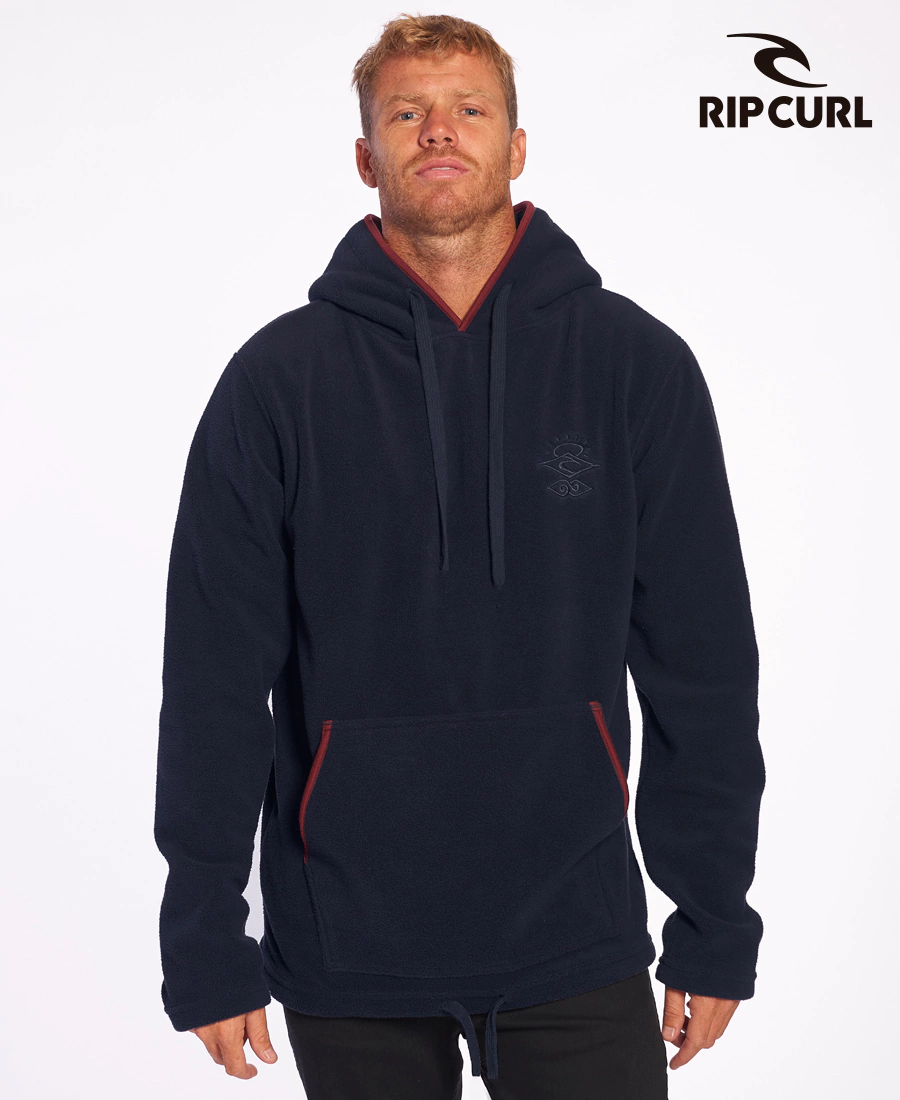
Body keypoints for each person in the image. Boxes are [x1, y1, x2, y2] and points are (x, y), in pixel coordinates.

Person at [153, 13, 766, 1098]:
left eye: (469, 109)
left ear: (516, 145)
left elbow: (703, 664)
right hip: (345, 935)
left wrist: (714, 918)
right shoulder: (276, 384)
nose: (439, 130)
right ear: (366, 156)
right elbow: (213, 680)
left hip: (575, 925)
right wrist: (204, 935)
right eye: (407, 113)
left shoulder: (634, 365)